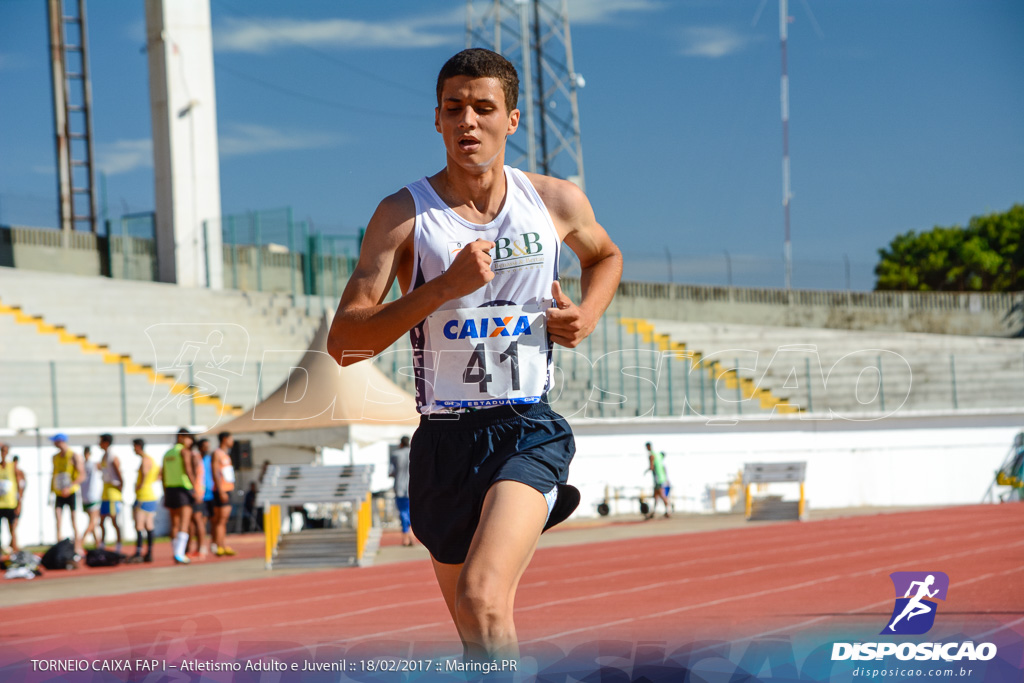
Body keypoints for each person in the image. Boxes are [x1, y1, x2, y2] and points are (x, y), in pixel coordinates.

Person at [327, 48, 622, 660]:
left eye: (484, 108)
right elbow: (346, 343)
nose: (468, 122)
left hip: (525, 428)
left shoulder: (555, 202)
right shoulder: (403, 215)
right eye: (454, 108)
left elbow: (606, 256)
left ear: (511, 120)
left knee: (481, 596)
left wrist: (585, 315)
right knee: (476, 629)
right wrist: (442, 288)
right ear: (436, 118)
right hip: (442, 441)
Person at [161, 428, 196, 564]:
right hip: (183, 489)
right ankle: (179, 553)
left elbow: (163, 475)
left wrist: (165, 491)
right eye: (189, 438)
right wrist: (195, 489)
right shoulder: (183, 451)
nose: (190, 441)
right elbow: (188, 470)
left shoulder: (167, 453)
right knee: (184, 522)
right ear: (181, 437)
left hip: (170, 489)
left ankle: (176, 551)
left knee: (174, 523)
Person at [50, 433, 85, 554]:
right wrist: (50, 492)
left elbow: (82, 475)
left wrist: (69, 488)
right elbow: (53, 475)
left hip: (70, 493)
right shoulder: (55, 457)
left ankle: (77, 547)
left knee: (73, 520)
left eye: (55, 441)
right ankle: (59, 547)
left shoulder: (74, 456)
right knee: (58, 520)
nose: (53, 444)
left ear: (60, 441)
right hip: (59, 493)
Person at [131, 438, 158, 563]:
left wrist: (139, 486)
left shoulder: (145, 460)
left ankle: (139, 552)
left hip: (143, 496)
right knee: (149, 525)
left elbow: (145, 474)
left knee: (139, 525)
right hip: (151, 495)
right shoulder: (151, 459)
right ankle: (149, 552)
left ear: (138, 446)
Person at [210, 432, 236, 556]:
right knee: (220, 520)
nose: (233, 441)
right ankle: (219, 545)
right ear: (225, 439)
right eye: (231, 438)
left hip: (227, 489)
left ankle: (221, 544)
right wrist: (220, 491)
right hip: (222, 490)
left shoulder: (225, 454)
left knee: (222, 520)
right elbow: (215, 472)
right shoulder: (217, 453)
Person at [98, 434, 124, 553]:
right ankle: (102, 544)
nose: (99, 444)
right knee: (102, 521)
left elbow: (120, 476)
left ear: (106, 442)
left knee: (114, 520)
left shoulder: (112, 457)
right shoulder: (104, 456)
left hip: (113, 493)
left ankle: (118, 545)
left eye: (101, 441)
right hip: (105, 493)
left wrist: (120, 490)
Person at [187, 438, 210, 559]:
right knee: (194, 521)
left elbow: (194, 474)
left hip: (196, 492)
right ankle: (198, 548)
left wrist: (195, 491)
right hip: (197, 491)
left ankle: (201, 548)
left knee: (197, 520)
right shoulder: (197, 456)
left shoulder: (193, 456)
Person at [389, 436, 414, 547]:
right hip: (413, 487)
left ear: (401, 444)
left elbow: (390, 472)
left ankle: (406, 538)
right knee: (411, 513)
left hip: (400, 487)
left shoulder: (395, 455)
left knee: (403, 513)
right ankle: (412, 536)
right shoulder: (413, 453)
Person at [79, 445, 104, 549]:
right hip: (93, 495)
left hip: (84, 496)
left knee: (92, 520)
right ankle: (80, 542)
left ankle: (98, 543)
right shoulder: (93, 464)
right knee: (93, 521)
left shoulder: (81, 465)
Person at [0, 443, 22, 552]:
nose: (3, 453)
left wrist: (19, 502)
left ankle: (15, 552)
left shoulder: (12, 467)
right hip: (0, 504)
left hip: (10, 503)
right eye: (1, 451)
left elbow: (20, 485)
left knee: (12, 530)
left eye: (5, 451)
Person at [644, 442, 671, 520]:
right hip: (662, 478)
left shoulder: (651, 456)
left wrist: (646, 471)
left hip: (657, 479)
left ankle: (668, 511)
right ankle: (654, 512)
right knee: (656, 496)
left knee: (661, 495)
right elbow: (663, 467)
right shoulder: (658, 455)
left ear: (648, 447)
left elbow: (651, 467)